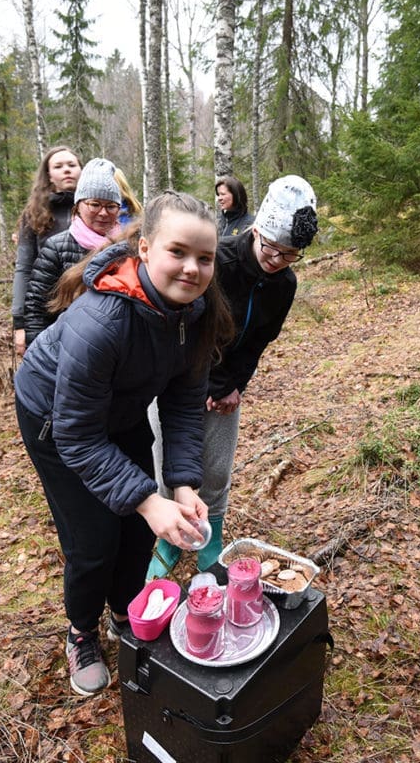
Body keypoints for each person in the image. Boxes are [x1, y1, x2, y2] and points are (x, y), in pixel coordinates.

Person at [14, 190, 234, 696]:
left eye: (205, 258)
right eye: (177, 252)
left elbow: (183, 402)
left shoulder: (195, 313)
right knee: (94, 541)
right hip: (55, 423)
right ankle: (81, 632)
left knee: (137, 536)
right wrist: (144, 498)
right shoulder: (103, 321)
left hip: (120, 414)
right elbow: (77, 433)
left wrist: (180, 485)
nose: (192, 269)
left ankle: (125, 611)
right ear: (145, 249)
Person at [147, 175, 319, 579]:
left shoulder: (284, 284)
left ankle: (213, 534)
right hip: (180, 377)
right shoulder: (217, 261)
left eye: (289, 255)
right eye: (272, 249)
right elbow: (184, 326)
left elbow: (260, 340)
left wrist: (235, 385)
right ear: (256, 230)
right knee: (165, 460)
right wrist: (203, 382)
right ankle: (169, 538)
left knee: (217, 467)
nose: (276, 261)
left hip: (226, 385)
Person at [24, 158, 136, 341]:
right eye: (95, 204)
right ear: (78, 206)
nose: (103, 213)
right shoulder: (56, 248)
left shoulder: (128, 248)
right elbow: (36, 307)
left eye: (111, 206)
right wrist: (37, 353)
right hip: (64, 344)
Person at [11, 146, 81, 357]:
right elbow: (23, 269)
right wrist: (20, 323)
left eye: (72, 165)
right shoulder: (34, 214)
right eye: (58, 166)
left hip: (90, 308)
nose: (66, 170)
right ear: (49, 176)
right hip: (47, 309)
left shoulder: (99, 210)